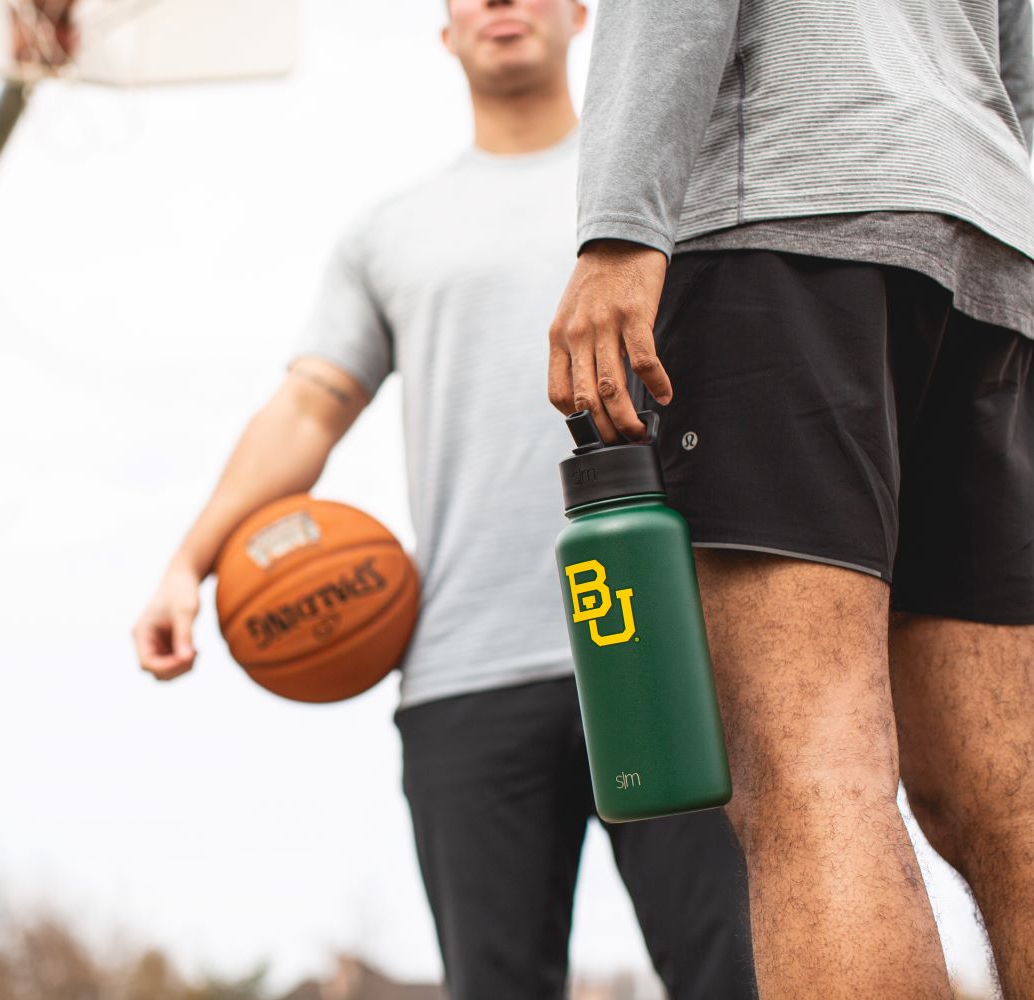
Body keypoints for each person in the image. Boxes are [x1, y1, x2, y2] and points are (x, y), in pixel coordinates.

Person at [133, 2, 757, 997]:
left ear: (581, 17)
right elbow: (307, 408)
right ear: (445, 31)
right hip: (468, 670)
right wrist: (187, 562)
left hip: (663, 649)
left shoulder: (657, 186)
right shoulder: (392, 232)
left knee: (739, 975)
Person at [546, 1, 1034, 998]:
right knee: (1010, 807)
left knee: (815, 779)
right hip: (986, 244)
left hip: (786, 213)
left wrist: (618, 230)